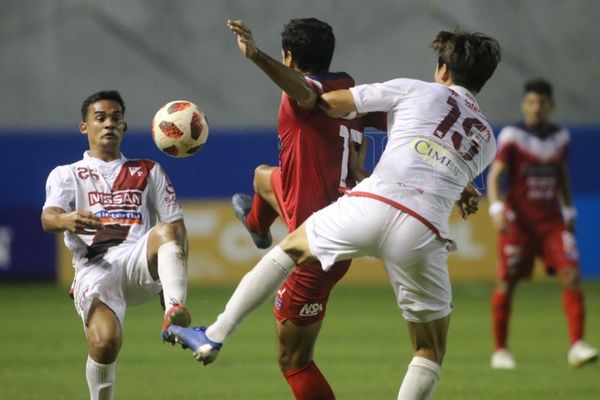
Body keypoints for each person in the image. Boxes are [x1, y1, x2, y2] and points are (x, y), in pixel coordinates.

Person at [169, 30, 501, 400]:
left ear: (442, 69)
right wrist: (467, 191)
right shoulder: (488, 138)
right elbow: (440, 163)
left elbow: (328, 102)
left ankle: (214, 335)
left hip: (374, 203)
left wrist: (267, 62)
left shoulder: (416, 89)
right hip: (423, 230)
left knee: (290, 250)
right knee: (429, 351)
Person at [226, 18, 380, 399]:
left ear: (289, 58)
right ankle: (257, 226)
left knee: (293, 358)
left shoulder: (306, 96)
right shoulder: (353, 93)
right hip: (333, 210)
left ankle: (260, 225)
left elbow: (305, 93)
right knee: (265, 177)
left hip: (319, 242)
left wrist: (256, 56)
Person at [41, 90, 193, 400]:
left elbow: (177, 231)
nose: (109, 124)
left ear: (124, 127)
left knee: (167, 230)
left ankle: (176, 310)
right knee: (105, 342)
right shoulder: (67, 174)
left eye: (116, 118)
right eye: (101, 118)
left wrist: (168, 293)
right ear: (85, 127)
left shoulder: (149, 171)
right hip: (95, 268)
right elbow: (49, 217)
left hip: (138, 260)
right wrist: (67, 220)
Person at [487, 79, 598, 369]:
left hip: (551, 223)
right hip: (519, 224)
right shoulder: (512, 136)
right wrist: (497, 208)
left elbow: (561, 174)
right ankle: (500, 350)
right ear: (524, 105)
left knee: (571, 275)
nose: (536, 108)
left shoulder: (561, 137)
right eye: (531, 102)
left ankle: (576, 345)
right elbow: (496, 175)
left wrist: (569, 211)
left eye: (542, 103)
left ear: (551, 106)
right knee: (506, 282)